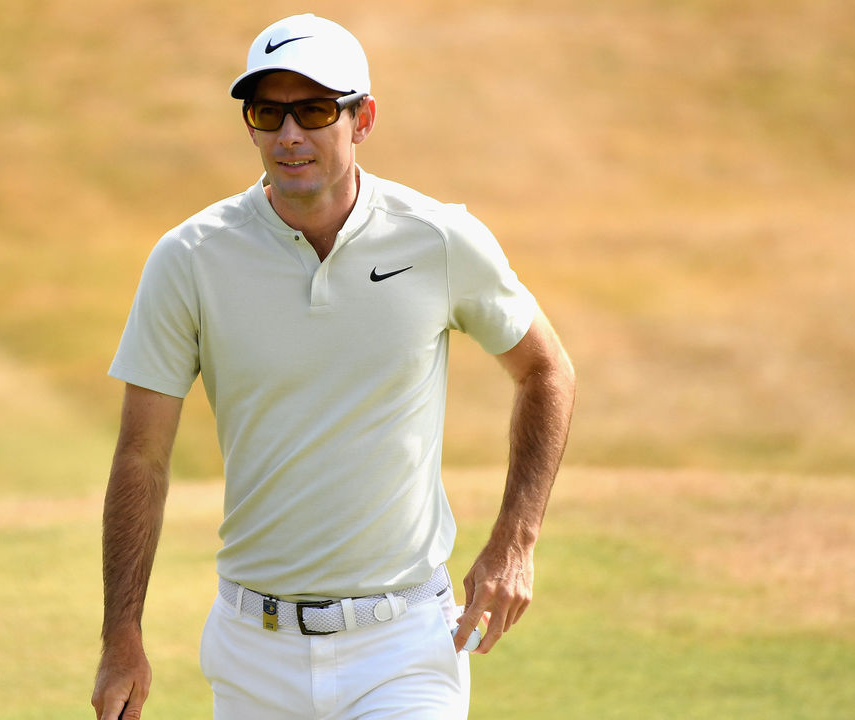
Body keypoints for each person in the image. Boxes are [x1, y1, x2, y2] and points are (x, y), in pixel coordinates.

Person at [92, 13, 575, 720]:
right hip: (252, 655)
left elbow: (546, 370)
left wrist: (515, 542)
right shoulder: (190, 258)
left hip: (404, 647)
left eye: (315, 110)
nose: (290, 135)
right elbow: (143, 455)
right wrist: (121, 635)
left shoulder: (438, 239)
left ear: (363, 118)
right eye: (268, 113)